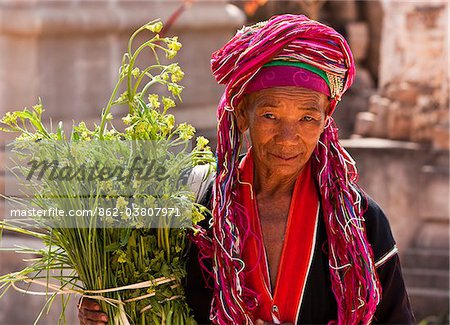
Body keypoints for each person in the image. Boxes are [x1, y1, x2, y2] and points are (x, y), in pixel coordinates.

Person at [79, 14, 415, 325]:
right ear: (242, 115)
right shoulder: (196, 214)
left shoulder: (358, 223)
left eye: (307, 118)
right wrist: (107, 311)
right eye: (270, 115)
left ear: (326, 121)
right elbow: (150, 307)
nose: (288, 139)